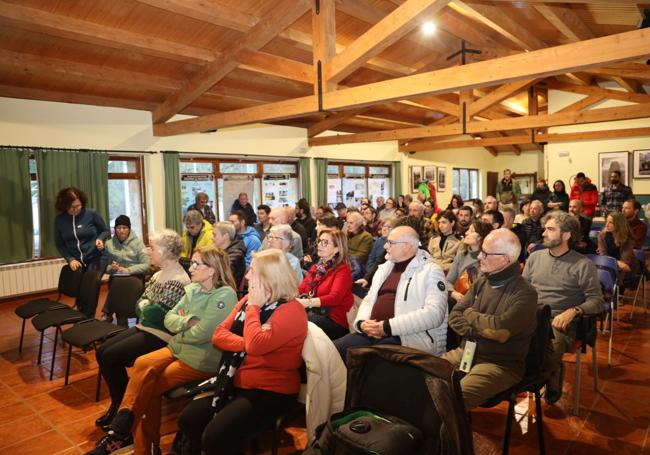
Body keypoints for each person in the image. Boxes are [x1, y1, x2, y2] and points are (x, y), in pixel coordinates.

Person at [87, 245, 237, 455]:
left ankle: (136, 444)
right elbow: (169, 319)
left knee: (148, 386)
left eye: (196, 263)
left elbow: (204, 333)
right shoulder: (193, 288)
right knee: (142, 364)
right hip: (177, 349)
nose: (191, 267)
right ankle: (125, 433)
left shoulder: (224, 295)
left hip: (201, 359)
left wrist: (181, 327)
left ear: (212, 269)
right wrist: (188, 322)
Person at [176, 249, 308, 455]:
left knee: (215, 437)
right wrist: (249, 342)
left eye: (252, 271)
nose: (246, 275)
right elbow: (219, 335)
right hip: (237, 380)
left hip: (271, 390)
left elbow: (255, 345)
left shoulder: (291, 310)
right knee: (189, 419)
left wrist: (254, 309)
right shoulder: (247, 300)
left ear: (269, 276)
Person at [94, 230, 190, 431]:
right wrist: (147, 306)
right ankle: (118, 404)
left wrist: (147, 306)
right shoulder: (157, 275)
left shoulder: (180, 279)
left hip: (162, 335)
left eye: (152, 248)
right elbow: (138, 305)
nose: (148, 252)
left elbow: (158, 315)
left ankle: (122, 409)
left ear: (165, 251)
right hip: (145, 327)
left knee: (111, 356)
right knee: (102, 351)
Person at [444, 229, 537, 409]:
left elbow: (498, 332)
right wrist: (478, 329)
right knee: (424, 377)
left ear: (505, 259)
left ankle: (448, 436)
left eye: (485, 253)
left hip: (499, 364)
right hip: (467, 351)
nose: (479, 256)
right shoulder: (482, 281)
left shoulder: (525, 293)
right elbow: (455, 316)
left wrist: (470, 314)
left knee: (451, 401)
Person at [523, 211, 604, 404]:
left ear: (566, 235)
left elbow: (597, 300)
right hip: (532, 315)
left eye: (550, 230)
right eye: (545, 229)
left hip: (562, 322)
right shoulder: (535, 258)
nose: (543, 233)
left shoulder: (583, 264)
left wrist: (574, 310)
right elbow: (523, 289)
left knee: (548, 346)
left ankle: (549, 373)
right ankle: (529, 376)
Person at [335, 226, 448, 361]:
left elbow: (434, 314)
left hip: (409, 337)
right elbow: (369, 299)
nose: (385, 246)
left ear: (406, 246)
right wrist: (362, 323)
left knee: (370, 360)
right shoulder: (385, 268)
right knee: (332, 351)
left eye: (391, 243)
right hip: (374, 332)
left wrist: (388, 327)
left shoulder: (431, 271)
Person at [297, 229, 353, 340]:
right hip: (315, 312)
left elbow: (334, 298)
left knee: (297, 322)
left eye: (325, 242)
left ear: (337, 248)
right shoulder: (316, 268)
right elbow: (302, 289)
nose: (319, 245)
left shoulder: (343, 269)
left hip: (335, 320)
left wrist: (307, 302)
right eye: (319, 241)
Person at [54, 186, 109, 272]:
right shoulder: (59, 220)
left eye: (78, 206)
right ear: (65, 206)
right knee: (77, 285)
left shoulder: (91, 214)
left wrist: (100, 239)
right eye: (72, 207)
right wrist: (70, 259)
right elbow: (60, 245)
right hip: (76, 262)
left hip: (97, 258)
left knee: (90, 284)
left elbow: (105, 231)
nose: (75, 209)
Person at [447, 221, 494, 304]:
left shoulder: (488, 259)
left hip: (476, 302)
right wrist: (454, 294)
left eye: (471, 231)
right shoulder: (461, 255)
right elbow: (448, 281)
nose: (466, 233)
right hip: (456, 298)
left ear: (480, 237)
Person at [597, 212, 637, 284]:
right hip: (610, 264)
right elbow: (603, 255)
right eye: (606, 221)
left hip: (628, 267)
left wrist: (611, 262)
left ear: (619, 224)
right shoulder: (602, 235)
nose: (607, 225)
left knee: (609, 274)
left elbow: (625, 264)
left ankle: (610, 293)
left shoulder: (627, 238)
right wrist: (614, 262)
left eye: (611, 222)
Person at [212, 222, 247, 286]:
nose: (212, 238)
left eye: (214, 235)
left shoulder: (236, 254)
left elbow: (223, 278)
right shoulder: (220, 251)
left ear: (226, 236)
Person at [346, 211, 374, 278]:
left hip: (357, 267)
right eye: (347, 222)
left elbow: (361, 256)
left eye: (351, 223)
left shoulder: (367, 236)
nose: (348, 225)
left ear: (358, 224)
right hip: (346, 263)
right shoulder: (348, 234)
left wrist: (343, 257)